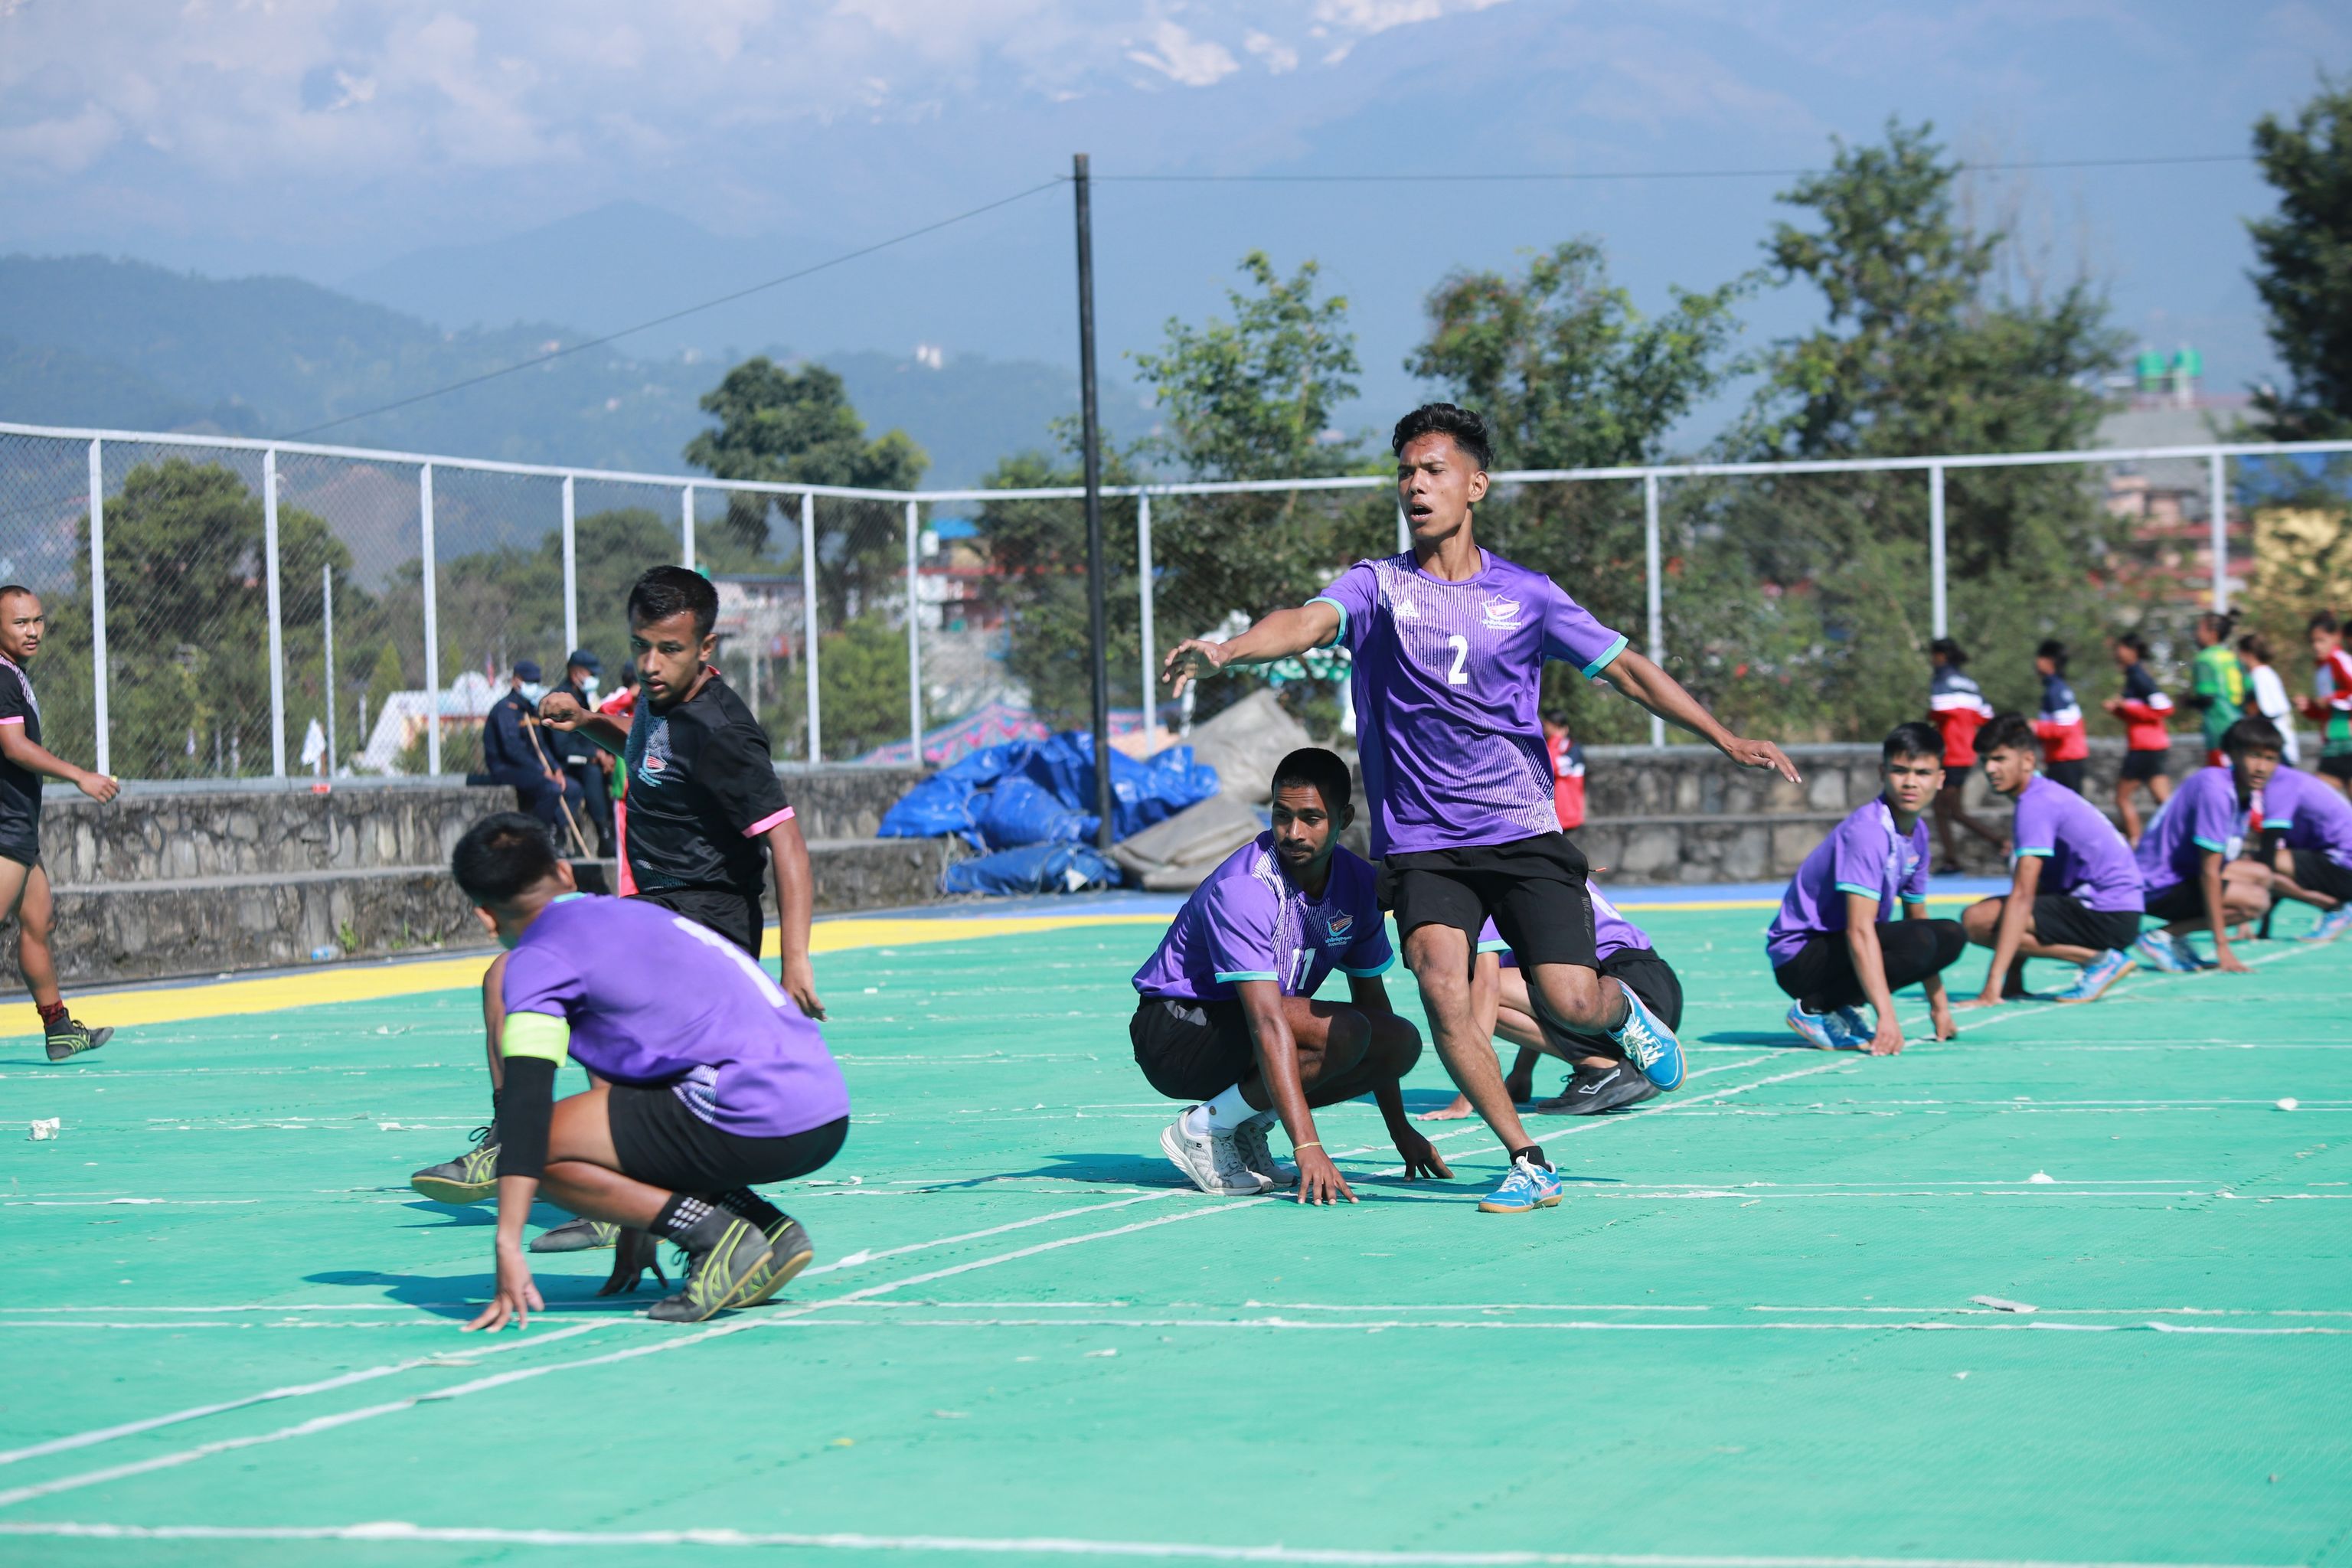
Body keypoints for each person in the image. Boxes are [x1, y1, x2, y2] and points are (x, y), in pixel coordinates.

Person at [1163, 402, 1798, 1215]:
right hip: (1426, 846)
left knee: (1573, 999)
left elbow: (1629, 669)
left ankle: (1627, 1015)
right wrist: (1229, 647)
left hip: (1524, 831)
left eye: (1433, 471)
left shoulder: (1527, 595)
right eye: (1405, 472)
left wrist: (1724, 735)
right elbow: (1303, 622)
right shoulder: (1378, 586)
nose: (1416, 485)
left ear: (1476, 485)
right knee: (1442, 986)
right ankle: (1527, 1157)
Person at [412, 569, 825, 1252]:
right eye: (642, 647)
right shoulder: (660, 704)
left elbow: (786, 840)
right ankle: (544, 1149)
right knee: (512, 985)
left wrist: (798, 957)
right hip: (655, 910)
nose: (652, 663)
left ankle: (632, 1189)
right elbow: (652, 752)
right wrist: (592, 722)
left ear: (707, 646)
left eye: (669, 648)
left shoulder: (725, 730)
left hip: (704, 919)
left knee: (557, 999)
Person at [448, 814, 848, 1331]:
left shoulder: (538, 960)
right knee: (614, 1122)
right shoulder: (635, 916)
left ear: (485, 915)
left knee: (537, 1150)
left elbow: (526, 1107)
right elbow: (642, 1098)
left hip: (755, 1113)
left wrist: (506, 1243)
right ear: (566, 874)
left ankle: (715, 1236)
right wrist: (636, 1220)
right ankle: (766, 1227)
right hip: (822, 1108)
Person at [1130, 748, 1448, 1203]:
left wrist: (1400, 1129)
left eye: (1311, 818)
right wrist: (1308, 1145)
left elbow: (1373, 1003)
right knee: (1341, 1032)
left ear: (1344, 818)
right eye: (1282, 815)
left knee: (1397, 1040)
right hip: (1178, 1034)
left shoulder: (1358, 884)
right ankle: (1204, 1127)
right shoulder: (1245, 887)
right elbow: (1265, 1020)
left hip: (1248, 1026)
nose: (1293, 832)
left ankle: (1243, 1122)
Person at [1766, 722, 1965, 1055]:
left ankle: (1840, 1003)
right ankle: (1814, 1008)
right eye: (1900, 771)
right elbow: (1859, 930)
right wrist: (1886, 1016)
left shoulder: (1917, 834)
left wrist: (1939, 1006)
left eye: (1923, 772)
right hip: (1800, 958)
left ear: (1940, 779)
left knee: (1949, 934)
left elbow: (1918, 918)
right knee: (1918, 941)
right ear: (1882, 772)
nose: (1911, 782)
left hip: (1838, 949)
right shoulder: (1870, 832)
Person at [1416, 880, 1679, 1121]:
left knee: (1469, 997)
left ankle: (1603, 1067)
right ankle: (1612, 1062)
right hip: (1656, 981)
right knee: (1520, 988)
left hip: (1617, 986)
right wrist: (1521, 1074)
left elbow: (1487, 987)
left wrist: (1470, 1097)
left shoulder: (1488, 881)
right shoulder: (1541, 864)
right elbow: (1540, 987)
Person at [0, 586, 120, 1062]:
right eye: (19, 623)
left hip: (18, 825)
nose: (32, 631)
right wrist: (79, 776)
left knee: (38, 921)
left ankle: (59, 1029)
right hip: (5, 826)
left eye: (37, 621)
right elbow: (13, 745)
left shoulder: (14, 673)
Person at [1956, 714, 2143, 1007]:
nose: (1991, 769)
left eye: (2000, 759)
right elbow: (2039, 891)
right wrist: (2013, 980)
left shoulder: (2035, 804)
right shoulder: (2044, 795)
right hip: (2120, 913)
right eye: (1985, 761)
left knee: (1976, 920)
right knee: (2003, 912)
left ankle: (2099, 961)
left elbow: (2023, 897)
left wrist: (1990, 989)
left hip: (2106, 913)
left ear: (2028, 760)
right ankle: (2093, 961)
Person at [2128, 716, 2280, 977]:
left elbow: (2222, 861)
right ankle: (2162, 936)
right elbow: (2209, 872)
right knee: (2256, 902)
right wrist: (2222, 945)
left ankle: (2173, 935)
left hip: (2178, 877)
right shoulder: (2216, 791)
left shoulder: (2242, 791)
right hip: (2154, 885)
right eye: (2254, 756)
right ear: (2232, 755)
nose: (2261, 767)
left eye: (2269, 759)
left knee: (2262, 875)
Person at [480, 659, 587, 843]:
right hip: (507, 768)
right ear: (516, 681)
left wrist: (555, 768)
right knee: (550, 789)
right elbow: (512, 749)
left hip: (534, 767)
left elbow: (541, 746)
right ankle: (535, 836)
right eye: (529, 682)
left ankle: (555, 828)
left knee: (574, 789)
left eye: (536, 682)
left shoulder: (530, 710)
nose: (534, 687)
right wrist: (542, 771)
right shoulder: (505, 711)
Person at [2249, 761, 2352, 943]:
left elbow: (2266, 860)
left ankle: (2336, 907)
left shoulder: (2280, 785)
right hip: (2339, 864)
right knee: (2268, 864)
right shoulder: (2292, 783)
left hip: (2345, 868)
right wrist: (2263, 930)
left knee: (2252, 865)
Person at [1927, 639, 2002, 871]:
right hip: (1966, 753)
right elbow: (1987, 715)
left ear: (1942, 656)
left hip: (1950, 754)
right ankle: (1953, 859)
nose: (1932, 660)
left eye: (1934, 655)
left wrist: (1930, 717)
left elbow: (1938, 709)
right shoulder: (1970, 683)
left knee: (1946, 809)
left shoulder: (1942, 678)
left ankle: (1997, 843)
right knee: (1950, 809)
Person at [2104, 633, 2175, 844]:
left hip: (2144, 747)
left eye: (2120, 648)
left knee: (2122, 798)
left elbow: (2164, 708)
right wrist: (2118, 710)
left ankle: (2135, 842)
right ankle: (2177, 837)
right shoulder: (2133, 675)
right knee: (2164, 801)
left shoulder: (2139, 676)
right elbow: (2138, 714)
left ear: (2132, 651)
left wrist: (2127, 707)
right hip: (2153, 745)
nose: (2117, 653)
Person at [549, 649, 616, 857]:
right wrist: (594, 755)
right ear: (576, 673)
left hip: (586, 758)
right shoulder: (560, 700)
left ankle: (613, 831)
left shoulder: (582, 698)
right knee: (592, 773)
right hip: (566, 763)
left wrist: (606, 755)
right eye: (591, 674)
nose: (594, 679)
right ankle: (603, 836)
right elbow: (562, 747)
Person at [2186, 611, 2251, 767]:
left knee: (2223, 782)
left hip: (2219, 733)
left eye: (2199, 629)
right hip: (2240, 727)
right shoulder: (2232, 657)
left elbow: (2207, 697)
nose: (2196, 634)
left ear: (2212, 634)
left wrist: (2187, 701)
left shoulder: (2204, 659)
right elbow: (2249, 690)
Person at [2298, 610, 2352, 799]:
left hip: (2348, 742)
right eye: (2313, 641)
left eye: (2321, 640)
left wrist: (2330, 699)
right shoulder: (2322, 669)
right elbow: (2323, 713)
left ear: (2336, 637)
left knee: (2317, 798)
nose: (2316, 646)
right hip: (2333, 744)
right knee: (2318, 799)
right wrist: (2309, 708)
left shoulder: (2341, 661)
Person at [2030, 639, 2091, 795]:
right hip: (2066, 758)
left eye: (2040, 657)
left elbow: (2064, 728)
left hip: (2065, 759)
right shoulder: (2058, 687)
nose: (2037, 662)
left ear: (2049, 661)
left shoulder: (2055, 690)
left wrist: (2034, 727)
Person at [2237, 632, 2301, 767]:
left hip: (2275, 746)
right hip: (2278, 744)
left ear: (2247, 654)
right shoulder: (2267, 673)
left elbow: (2267, 710)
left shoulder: (2260, 675)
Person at [1544, 712, 1586, 831]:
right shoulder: (1549, 745)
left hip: (1568, 816)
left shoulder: (1572, 748)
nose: (1544, 729)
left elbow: (1551, 767)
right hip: (1552, 815)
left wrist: (1555, 739)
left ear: (1556, 726)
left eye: (1546, 725)